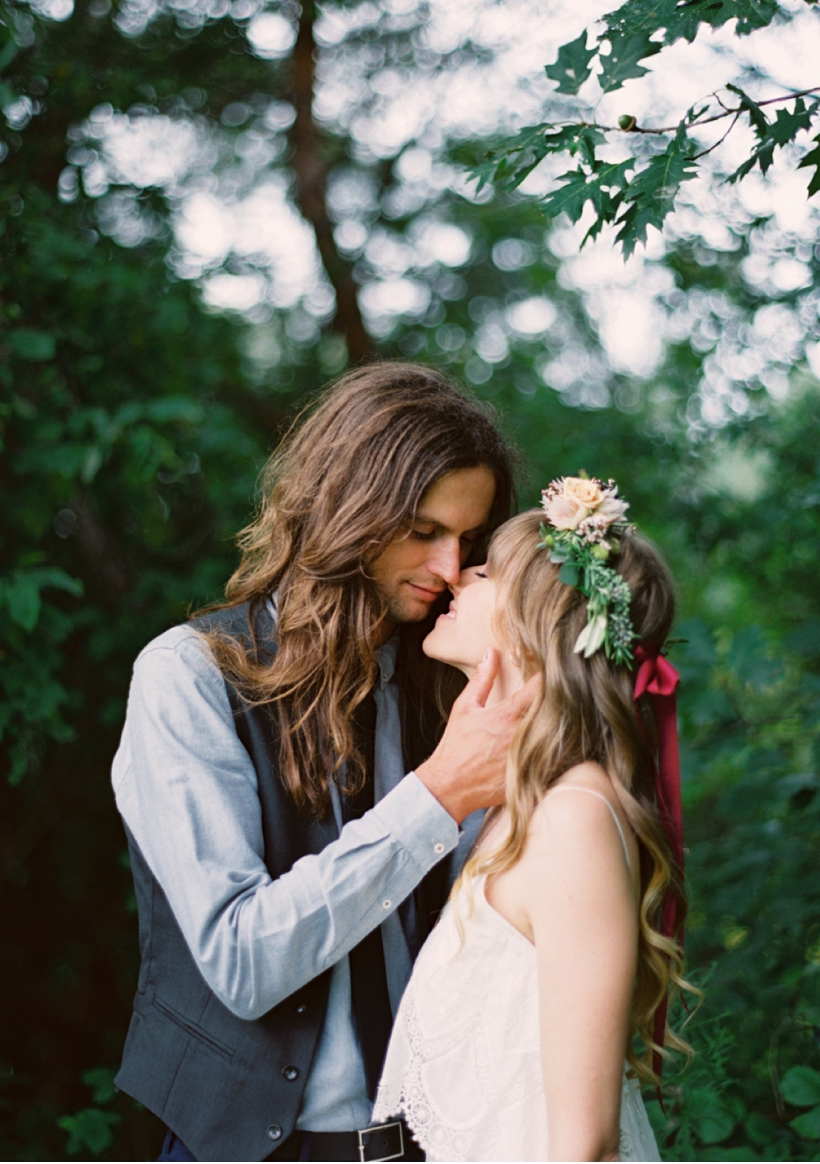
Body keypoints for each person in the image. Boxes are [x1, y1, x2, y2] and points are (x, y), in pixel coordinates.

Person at [110, 363, 539, 1162]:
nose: (449, 569)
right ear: (348, 509)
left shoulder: (455, 687)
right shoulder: (188, 678)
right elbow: (243, 959)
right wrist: (439, 793)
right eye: (423, 530)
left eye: (469, 541)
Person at [373, 477, 693, 1161]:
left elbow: (584, 1145)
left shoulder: (572, 816)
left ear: (535, 618)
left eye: (485, 569)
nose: (456, 575)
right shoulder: (519, 806)